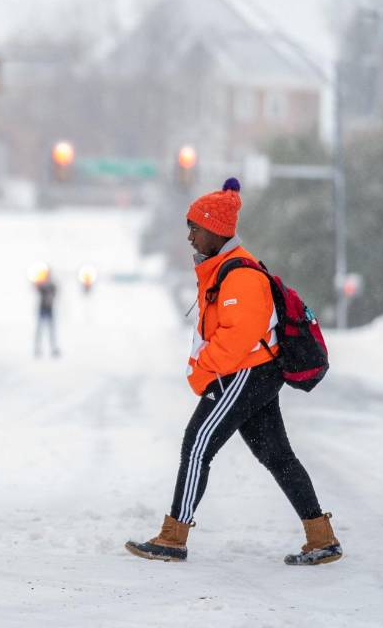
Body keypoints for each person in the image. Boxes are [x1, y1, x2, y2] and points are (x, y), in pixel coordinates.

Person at [125, 178, 342, 566]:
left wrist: (201, 373)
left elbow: (236, 340)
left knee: (197, 445)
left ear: (216, 230)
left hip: (246, 373)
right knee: (276, 455)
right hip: (253, 373)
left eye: (195, 227)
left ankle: (174, 537)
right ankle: (321, 536)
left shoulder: (240, 276)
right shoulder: (222, 270)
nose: (190, 236)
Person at [34, 270, 59, 358]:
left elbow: (55, 293)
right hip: (42, 309)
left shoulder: (52, 285)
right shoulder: (41, 284)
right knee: (40, 330)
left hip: (49, 309)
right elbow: (36, 289)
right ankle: (37, 348)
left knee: (51, 330)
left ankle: (53, 348)